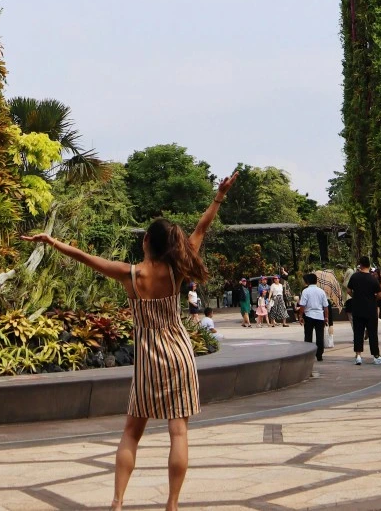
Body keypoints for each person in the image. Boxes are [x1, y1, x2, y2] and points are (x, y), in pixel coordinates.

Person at [23, 168, 239, 511]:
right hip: (180, 352)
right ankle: (172, 504)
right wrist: (219, 195)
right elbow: (201, 228)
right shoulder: (177, 269)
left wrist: (52, 242)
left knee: (131, 432)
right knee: (178, 432)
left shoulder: (130, 274)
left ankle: (118, 502)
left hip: (149, 357)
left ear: (146, 241)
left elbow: (84, 257)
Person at [345, 257, 381, 366]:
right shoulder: (372, 278)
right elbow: (380, 294)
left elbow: (349, 290)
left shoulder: (354, 277)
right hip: (370, 309)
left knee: (358, 332)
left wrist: (356, 297)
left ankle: (358, 356)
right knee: (372, 333)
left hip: (357, 308)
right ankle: (376, 356)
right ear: (369, 265)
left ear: (360, 265)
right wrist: (373, 299)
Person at [297, 270, 329, 362]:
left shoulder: (305, 291)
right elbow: (325, 306)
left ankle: (308, 354)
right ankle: (319, 355)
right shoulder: (321, 291)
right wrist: (326, 317)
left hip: (309, 315)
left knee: (308, 336)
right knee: (320, 336)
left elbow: (302, 305)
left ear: (307, 281)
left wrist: (301, 316)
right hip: (320, 316)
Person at [316, 268, 343, 349]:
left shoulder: (317, 278)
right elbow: (337, 291)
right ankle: (330, 342)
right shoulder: (331, 279)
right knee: (330, 322)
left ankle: (322, 342)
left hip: (319, 303)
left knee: (321, 323)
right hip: (327, 303)